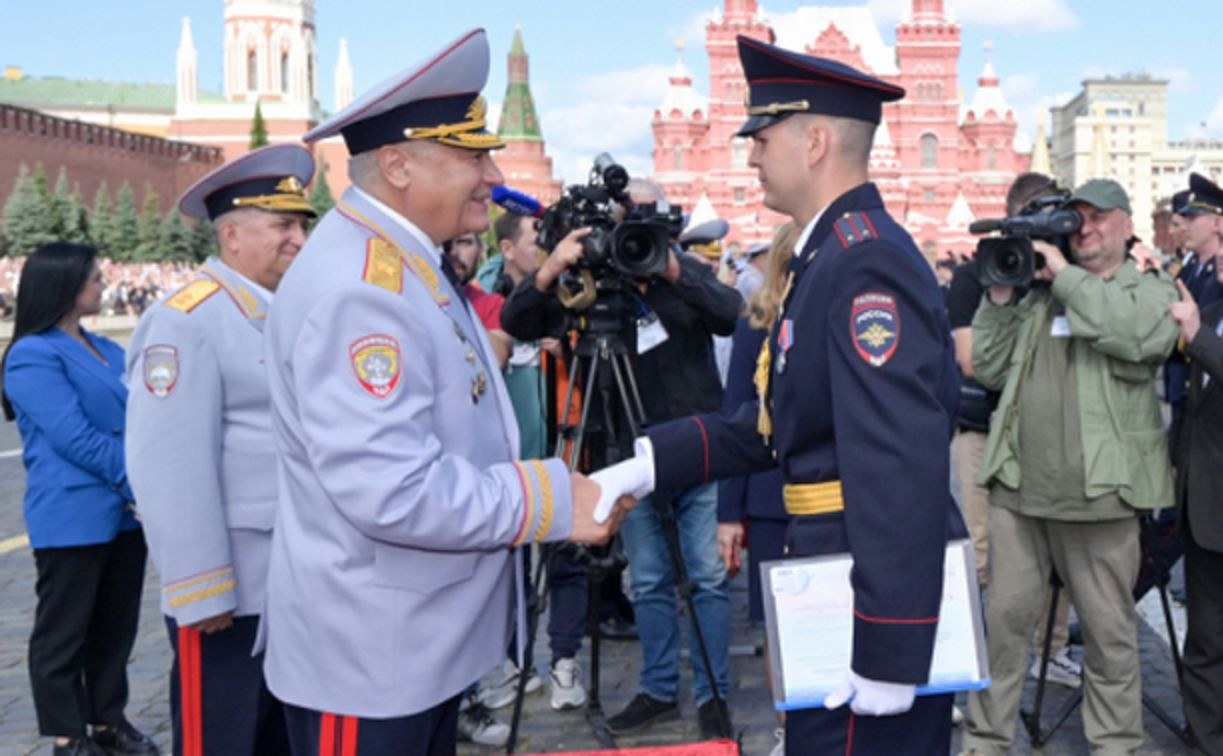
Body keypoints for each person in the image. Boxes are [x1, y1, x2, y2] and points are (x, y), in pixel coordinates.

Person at [259, 29, 628, 754]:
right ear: (396, 164)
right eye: (472, 155)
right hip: (366, 659)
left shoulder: (401, 264)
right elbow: (392, 491)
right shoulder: (361, 288)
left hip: (406, 649)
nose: (491, 176)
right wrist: (551, 500)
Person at [593, 35, 964, 754]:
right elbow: (770, 425)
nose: (751, 154)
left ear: (816, 141)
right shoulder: (824, 255)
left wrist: (889, 653)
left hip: (867, 591)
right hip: (832, 567)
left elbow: (897, 462)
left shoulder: (864, 263)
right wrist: (646, 464)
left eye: (762, 137)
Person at [501, 178, 742, 740]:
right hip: (627, 448)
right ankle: (659, 690)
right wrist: (551, 266)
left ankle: (715, 697)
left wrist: (673, 271)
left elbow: (732, 314)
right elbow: (518, 324)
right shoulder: (591, 283)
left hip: (697, 446)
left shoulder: (679, 268)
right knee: (652, 580)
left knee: (705, 577)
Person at [961, 179, 1179, 755]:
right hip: (1019, 494)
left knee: (1109, 639)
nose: (1085, 227)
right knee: (1003, 634)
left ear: (1128, 225)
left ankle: (1116, 747)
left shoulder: (1149, 291)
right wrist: (1001, 298)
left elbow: (1137, 338)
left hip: (1102, 499)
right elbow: (986, 366)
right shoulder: (1039, 296)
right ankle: (985, 743)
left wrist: (1065, 276)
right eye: (1075, 217)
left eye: (1098, 216)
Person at [123, 144, 316, 756]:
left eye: (302, 224)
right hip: (234, 590)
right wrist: (201, 589)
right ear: (231, 234)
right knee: (225, 738)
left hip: (296, 579)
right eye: (283, 225)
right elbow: (168, 465)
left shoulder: (287, 311)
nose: (299, 239)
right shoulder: (186, 321)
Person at [1, 243, 158, 756]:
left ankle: (108, 719)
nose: (100, 284)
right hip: (73, 513)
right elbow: (74, 438)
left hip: (124, 519)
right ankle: (68, 733)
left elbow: (142, 421)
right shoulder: (31, 355)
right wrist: (142, 481)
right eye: (93, 277)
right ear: (63, 284)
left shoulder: (107, 349)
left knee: (115, 628)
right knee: (63, 634)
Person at [947, 172, 1083, 690]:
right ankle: (975, 659)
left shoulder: (1064, 275)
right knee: (980, 549)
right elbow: (972, 361)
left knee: (1055, 549)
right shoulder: (979, 274)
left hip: (1049, 433)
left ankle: (1050, 653)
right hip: (983, 430)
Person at [716, 221, 798, 756]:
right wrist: (729, 514)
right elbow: (734, 420)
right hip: (769, 496)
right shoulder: (755, 323)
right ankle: (788, 728)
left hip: (831, 496)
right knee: (777, 622)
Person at [1168, 195, 1223, 755]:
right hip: (1206, 502)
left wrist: (1197, 336)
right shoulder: (1213, 300)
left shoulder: (1205, 319)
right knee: (1206, 638)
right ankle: (1206, 740)